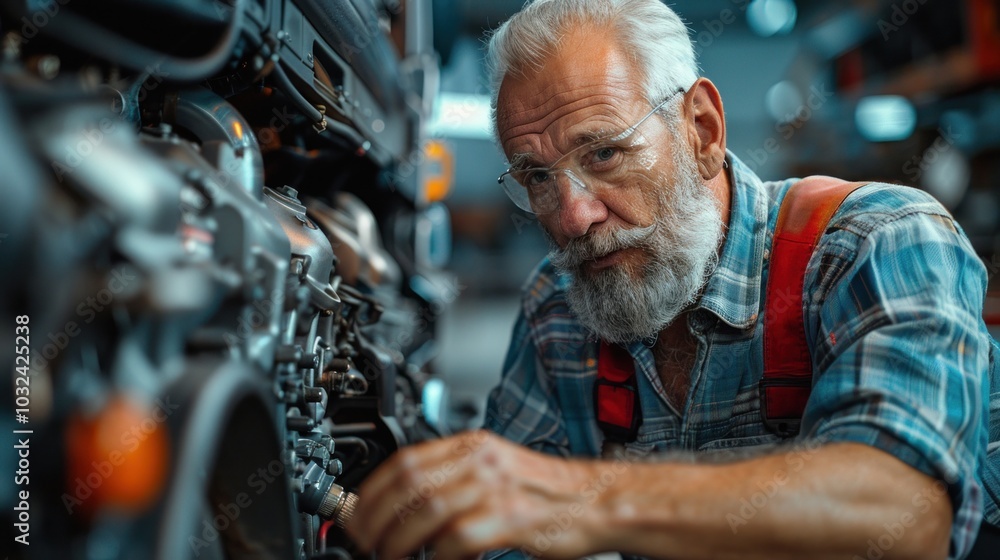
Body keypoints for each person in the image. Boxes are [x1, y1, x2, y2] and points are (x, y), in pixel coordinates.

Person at [346, 1, 1000, 558]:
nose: (574, 215)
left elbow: (906, 516)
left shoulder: (874, 241)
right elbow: (504, 534)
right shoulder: (561, 309)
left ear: (702, 132)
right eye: (537, 179)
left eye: (604, 153)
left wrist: (586, 498)